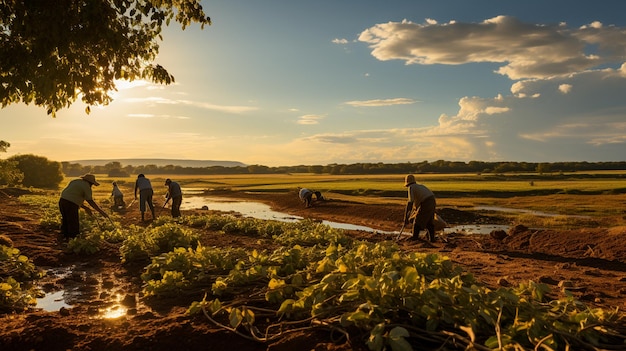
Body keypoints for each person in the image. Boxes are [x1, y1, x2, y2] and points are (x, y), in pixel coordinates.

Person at [58, 174, 110, 239]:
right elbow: (90, 201)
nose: (92, 185)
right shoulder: (86, 186)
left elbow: (74, 197)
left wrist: (86, 208)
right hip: (71, 204)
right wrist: (101, 212)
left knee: (66, 219)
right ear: (90, 182)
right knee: (73, 222)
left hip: (62, 201)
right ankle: (73, 238)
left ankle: (64, 236)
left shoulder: (75, 181)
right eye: (92, 184)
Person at [403, 174, 436, 242]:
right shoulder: (420, 186)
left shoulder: (411, 187)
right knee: (429, 221)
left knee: (417, 221)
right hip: (432, 201)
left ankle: (415, 238)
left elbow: (410, 203)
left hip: (426, 202)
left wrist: (406, 217)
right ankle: (432, 239)